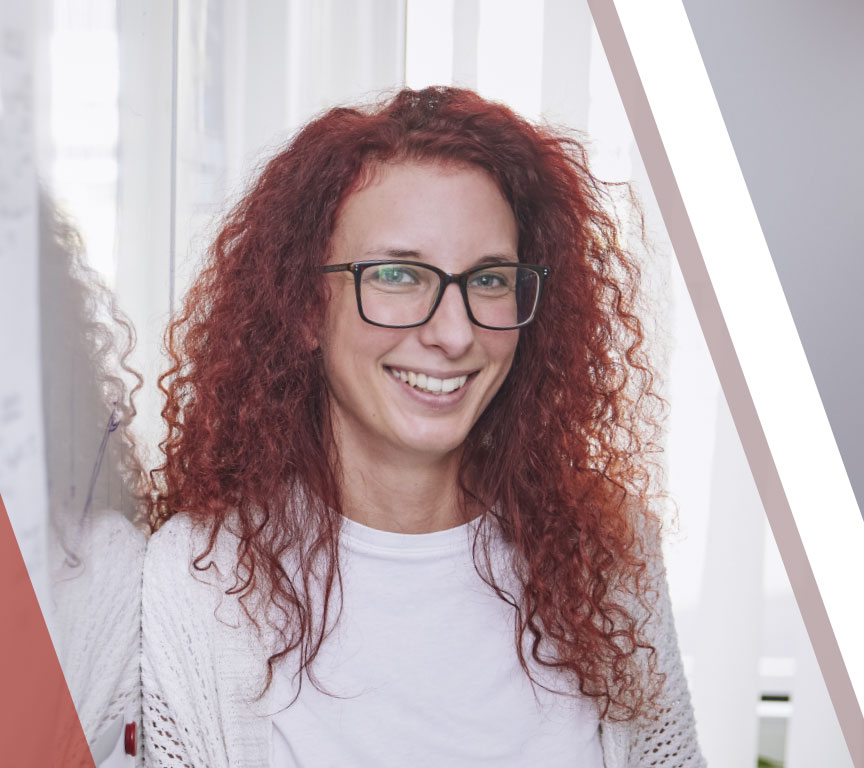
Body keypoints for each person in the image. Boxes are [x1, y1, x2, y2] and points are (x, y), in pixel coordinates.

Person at [139, 86, 704, 767]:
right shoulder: (204, 577)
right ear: (303, 309)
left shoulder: (607, 556)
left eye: (490, 280)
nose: (454, 333)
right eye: (400, 274)